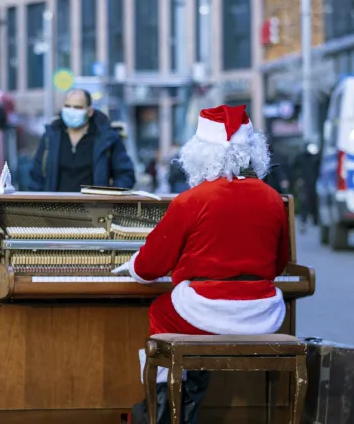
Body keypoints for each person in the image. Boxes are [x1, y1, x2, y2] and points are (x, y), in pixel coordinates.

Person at [113, 105, 290, 424]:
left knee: (161, 310)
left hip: (205, 310)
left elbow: (150, 266)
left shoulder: (191, 200)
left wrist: (133, 266)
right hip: (262, 314)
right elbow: (280, 265)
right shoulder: (273, 198)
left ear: (200, 153)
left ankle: (167, 411)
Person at [29, 88, 135, 192]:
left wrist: (109, 197)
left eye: (77, 107)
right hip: (56, 207)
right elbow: (36, 176)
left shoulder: (107, 138)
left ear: (89, 111)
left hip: (94, 207)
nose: (71, 111)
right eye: (67, 106)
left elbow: (125, 175)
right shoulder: (50, 137)